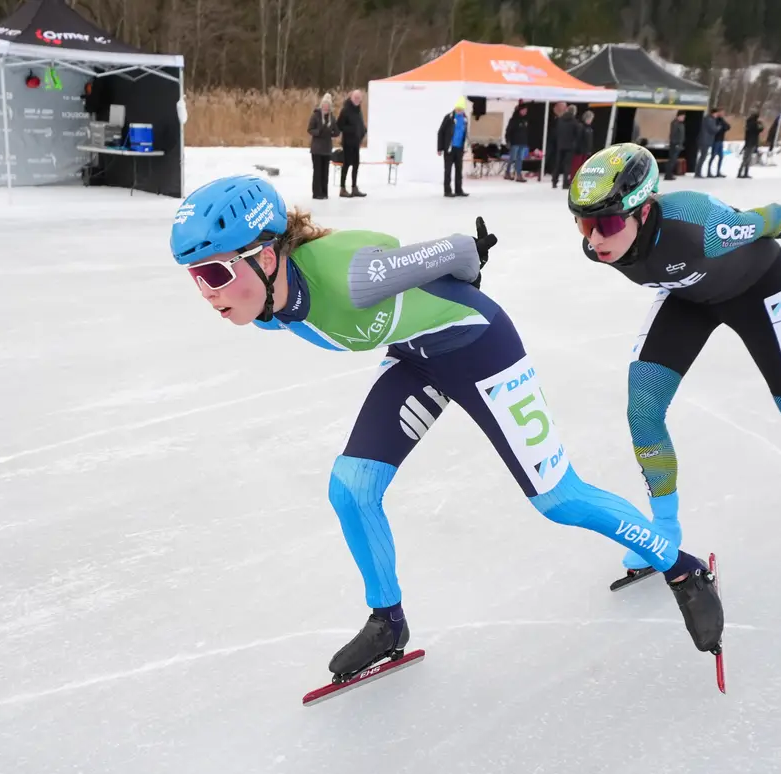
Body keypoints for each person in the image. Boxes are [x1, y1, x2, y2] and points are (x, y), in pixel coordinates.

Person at [170, 174, 724, 682]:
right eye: (196, 277)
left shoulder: (353, 275)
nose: (206, 292)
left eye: (215, 272)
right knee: (352, 488)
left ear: (267, 257)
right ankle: (387, 621)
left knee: (560, 500)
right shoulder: (269, 306)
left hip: (479, 344)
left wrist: (471, 261)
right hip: (418, 358)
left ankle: (684, 570)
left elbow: (458, 252)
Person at [567, 143, 781, 584]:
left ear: (643, 211)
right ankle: (663, 532)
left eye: (607, 223)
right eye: (584, 223)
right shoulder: (600, 247)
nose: (595, 239)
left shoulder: (700, 225)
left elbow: (772, 214)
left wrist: (763, 226)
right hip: (689, 296)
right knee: (643, 409)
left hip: (757, 288)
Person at [307, 92, 339, 200]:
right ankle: (316, 193)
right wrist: (319, 131)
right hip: (317, 148)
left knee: (325, 171)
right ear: (322, 105)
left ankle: (324, 192)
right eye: (324, 105)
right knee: (317, 171)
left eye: (328, 106)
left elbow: (337, 131)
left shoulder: (332, 118)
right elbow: (310, 129)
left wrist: (333, 132)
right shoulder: (316, 115)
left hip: (326, 148)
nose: (326, 108)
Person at [336, 90, 367, 198]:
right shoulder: (346, 110)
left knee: (356, 164)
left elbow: (360, 124)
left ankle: (354, 187)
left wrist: (363, 131)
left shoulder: (358, 110)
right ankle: (342, 188)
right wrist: (351, 130)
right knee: (346, 165)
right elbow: (339, 125)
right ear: (351, 98)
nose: (357, 100)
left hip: (356, 143)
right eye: (355, 98)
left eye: (359, 98)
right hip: (348, 142)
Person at [437, 96, 469, 197]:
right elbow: (441, 132)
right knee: (448, 170)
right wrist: (440, 148)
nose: (459, 110)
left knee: (459, 170)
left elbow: (464, 133)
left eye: (461, 109)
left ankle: (458, 190)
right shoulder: (449, 118)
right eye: (457, 108)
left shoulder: (465, 119)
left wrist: (465, 147)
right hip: (449, 148)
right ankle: (447, 191)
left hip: (459, 149)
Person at [553, 105, 579, 189]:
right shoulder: (574, 122)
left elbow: (556, 132)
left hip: (560, 145)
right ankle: (565, 183)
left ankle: (554, 181)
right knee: (567, 165)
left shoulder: (560, 120)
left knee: (558, 164)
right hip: (570, 146)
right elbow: (577, 135)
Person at [504, 102, 530, 182]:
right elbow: (508, 131)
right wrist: (508, 140)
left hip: (523, 142)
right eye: (524, 110)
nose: (525, 112)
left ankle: (518, 174)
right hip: (515, 142)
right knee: (512, 158)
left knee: (520, 159)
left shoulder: (525, 120)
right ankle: (508, 172)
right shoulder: (513, 120)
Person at [738, 111, 763, 179]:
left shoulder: (749, 123)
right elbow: (759, 130)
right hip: (751, 142)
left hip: (748, 142)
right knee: (747, 159)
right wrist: (760, 124)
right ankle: (742, 173)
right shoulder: (754, 124)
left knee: (746, 158)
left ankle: (742, 172)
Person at [707, 108, 730, 177]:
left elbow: (728, 127)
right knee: (713, 156)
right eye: (722, 112)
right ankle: (709, 171)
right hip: (715, 140)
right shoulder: (714, 120)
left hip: (720, 140)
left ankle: (718, 172)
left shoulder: (721, 120)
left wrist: (722, 127)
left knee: (721, 156)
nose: (723, 114)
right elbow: (715, 129)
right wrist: (721, 128)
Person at [665, 111, 686, 181]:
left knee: (673, 160)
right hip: (675, 145)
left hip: (678, 144)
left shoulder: (680, 124)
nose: (683, 118)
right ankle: (668, 175)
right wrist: (676, 144)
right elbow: (673, 135)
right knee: (672, 160)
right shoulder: (675, 123)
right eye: (682, 117)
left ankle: (670, 174)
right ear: (678, 116)